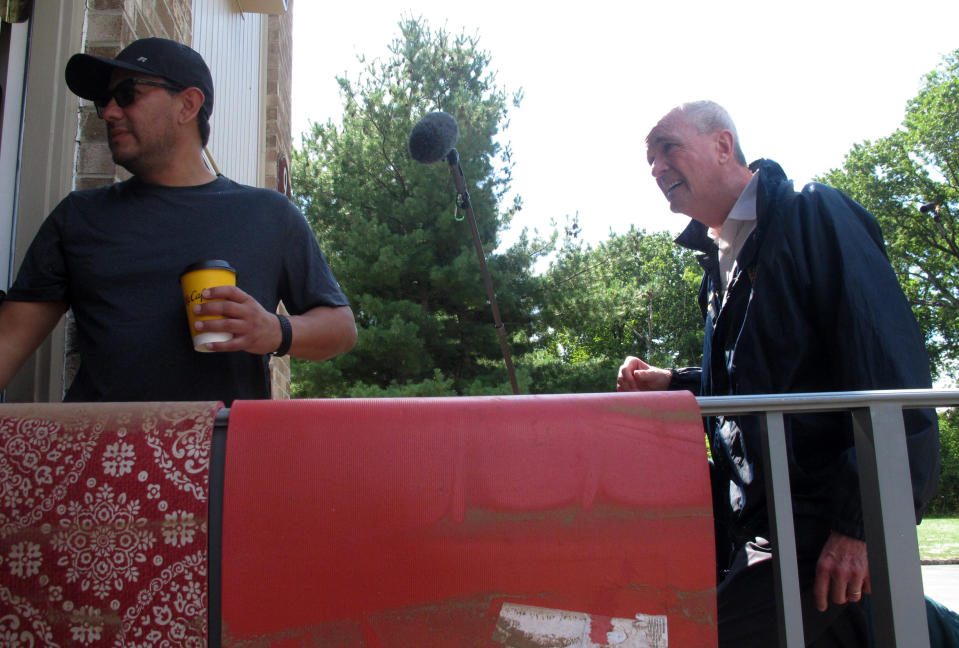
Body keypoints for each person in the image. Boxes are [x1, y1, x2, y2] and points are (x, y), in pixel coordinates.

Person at [617, 101, 940, 646]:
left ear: (723, 145)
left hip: (817, 524)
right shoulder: (718, 268)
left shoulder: (811, 213)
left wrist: (861, 527)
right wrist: (676, 383)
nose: (655, 168)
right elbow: (764, 383)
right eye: (648, 159)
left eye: (667, 147)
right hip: (762, 526)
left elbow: (890, 372)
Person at [0, 38, 356, 404]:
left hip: (220, 454)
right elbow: (9, 340)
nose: (108, 112)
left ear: (188, 105)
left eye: (126, 95)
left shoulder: (269, 214)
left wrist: (276, 330)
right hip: (104, 454)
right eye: (103, 101)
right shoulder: (77, 217)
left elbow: (341, 329)